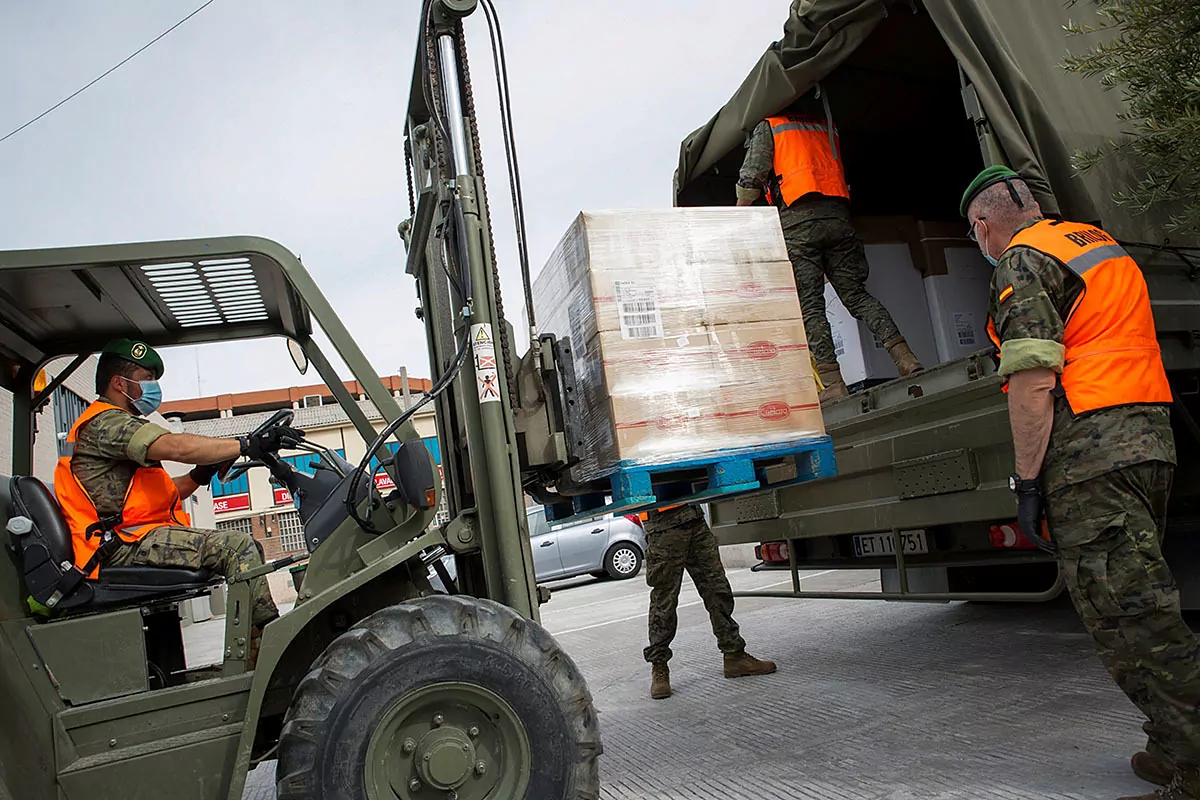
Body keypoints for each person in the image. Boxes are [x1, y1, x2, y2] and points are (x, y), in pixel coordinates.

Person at [962, 166, 1200, 800]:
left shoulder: (1019, 261)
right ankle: (1172, 745)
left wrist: (1026, 482)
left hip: (1090, 452)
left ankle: (1196, 763)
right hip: (1148, 439)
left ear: (982, 227)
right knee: (1135, 601)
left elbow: (1033, 378)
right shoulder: (1094, 243)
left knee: (1132, 617)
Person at [54, 339, 303, 666]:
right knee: (237, 547)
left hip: (134, 537)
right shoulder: (106, 423)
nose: (153, 387)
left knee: (245, 547)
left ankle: (259, 649)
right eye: (146, 378)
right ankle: (272, 651)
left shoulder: (116, 425)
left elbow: (164, 493)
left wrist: (201, 474)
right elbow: (176, 447)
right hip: (120, 546)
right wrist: (244, 444)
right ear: (119, 383)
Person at [736, 92, 922, 402]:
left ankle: (833, 383)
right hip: (838, 218)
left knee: (811, 306)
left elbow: (752, 176)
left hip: (798, 222)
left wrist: (738, 218)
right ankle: (906, 358)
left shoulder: (771, 126)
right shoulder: (825, 125)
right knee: (857, 295)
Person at [643, 504, 776, 699]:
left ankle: (734, 655)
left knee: (717, 589)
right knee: (664, 601)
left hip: (694, 519)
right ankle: (659, 667)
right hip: (663, 526)